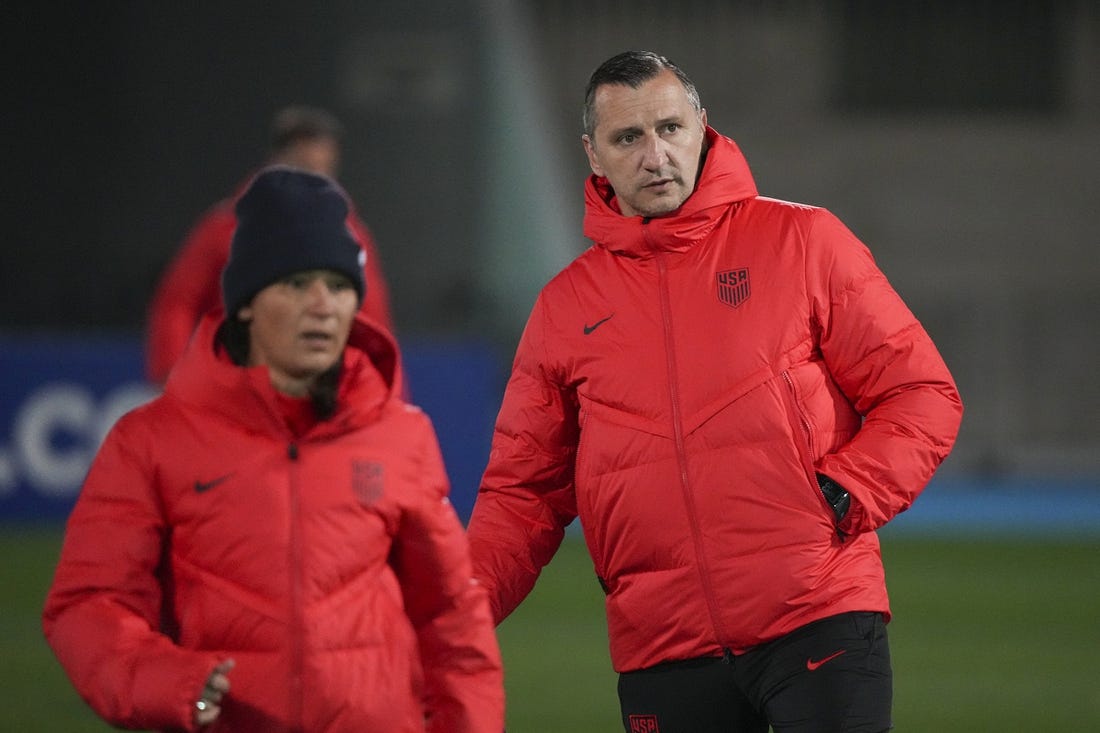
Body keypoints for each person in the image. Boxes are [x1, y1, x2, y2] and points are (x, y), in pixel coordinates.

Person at [466, 50, 963, 733]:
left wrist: (844, 493)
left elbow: (923, 392)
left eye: (670, 128)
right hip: (664, 646)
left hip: (816, 618)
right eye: (627, 138)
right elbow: (522, 494)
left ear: (702, 124)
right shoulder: (563, 308)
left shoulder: (803, 240)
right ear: (593, 154)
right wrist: (452, 613)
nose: (655, 154)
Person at [44, 167, 505, 732]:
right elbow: (88, 602)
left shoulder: (401, 434)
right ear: (244, 303)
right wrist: (170, 682)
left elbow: (451, 617)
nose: (323, 305)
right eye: (296, 283)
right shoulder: (149, 441)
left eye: (338, 286)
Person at [145, 105, 399, 386]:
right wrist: (172, 373)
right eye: (304, 167)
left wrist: (387, 392)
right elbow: (178, 302)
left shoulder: (351, 235)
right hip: (233, 381)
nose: (313, 182)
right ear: (276, 161)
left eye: (322, 171)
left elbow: (374, 321)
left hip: (320, 390)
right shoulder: (226, 226)